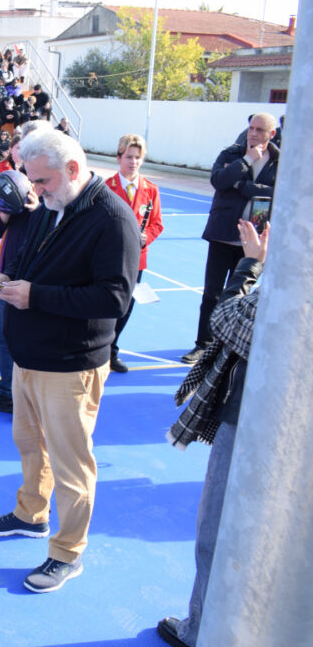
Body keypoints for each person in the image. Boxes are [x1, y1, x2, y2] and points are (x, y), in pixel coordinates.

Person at [0, 129, 139, 593]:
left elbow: (114, 297)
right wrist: (9, 280)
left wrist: (36, 296)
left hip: (71, 365)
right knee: (30, 444)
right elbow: (36, 266)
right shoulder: (49, 207)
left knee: (71, 464)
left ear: (72, 170)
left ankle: (67, 552)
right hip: (30, 357)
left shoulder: (113, 218)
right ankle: (31, 514)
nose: (36, 191)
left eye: (43, 181)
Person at [157, 220, 267, 647]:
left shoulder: (295, 287)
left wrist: (250, 265)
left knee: (216, 532)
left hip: (250, 422)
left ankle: (200, 630)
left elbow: (226, 321)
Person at [183, 112, 278, 365]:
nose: (253, 133)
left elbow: (278, 192)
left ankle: (226, 346)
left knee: (240, 295)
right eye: (251, 128)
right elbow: (218, 180)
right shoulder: (232, 155)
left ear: (272, 134)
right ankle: (202, 345)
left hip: (253, 244)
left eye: (259, 129)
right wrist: (246, 161)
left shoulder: (279, 162)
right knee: (211, 294)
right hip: (223, 235)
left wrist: (243, 186)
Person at [105, 134, 164, 373]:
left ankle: (112, 349)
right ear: (119, 158)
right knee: (104, 303)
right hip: (108, 258)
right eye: (129, 157)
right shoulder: (106, 188)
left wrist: (144, 237)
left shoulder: (151, 190)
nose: (134, 162)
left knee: (126, 307)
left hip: (135, 260)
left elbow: (157, 224)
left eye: (138, 158)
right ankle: (99, 349)